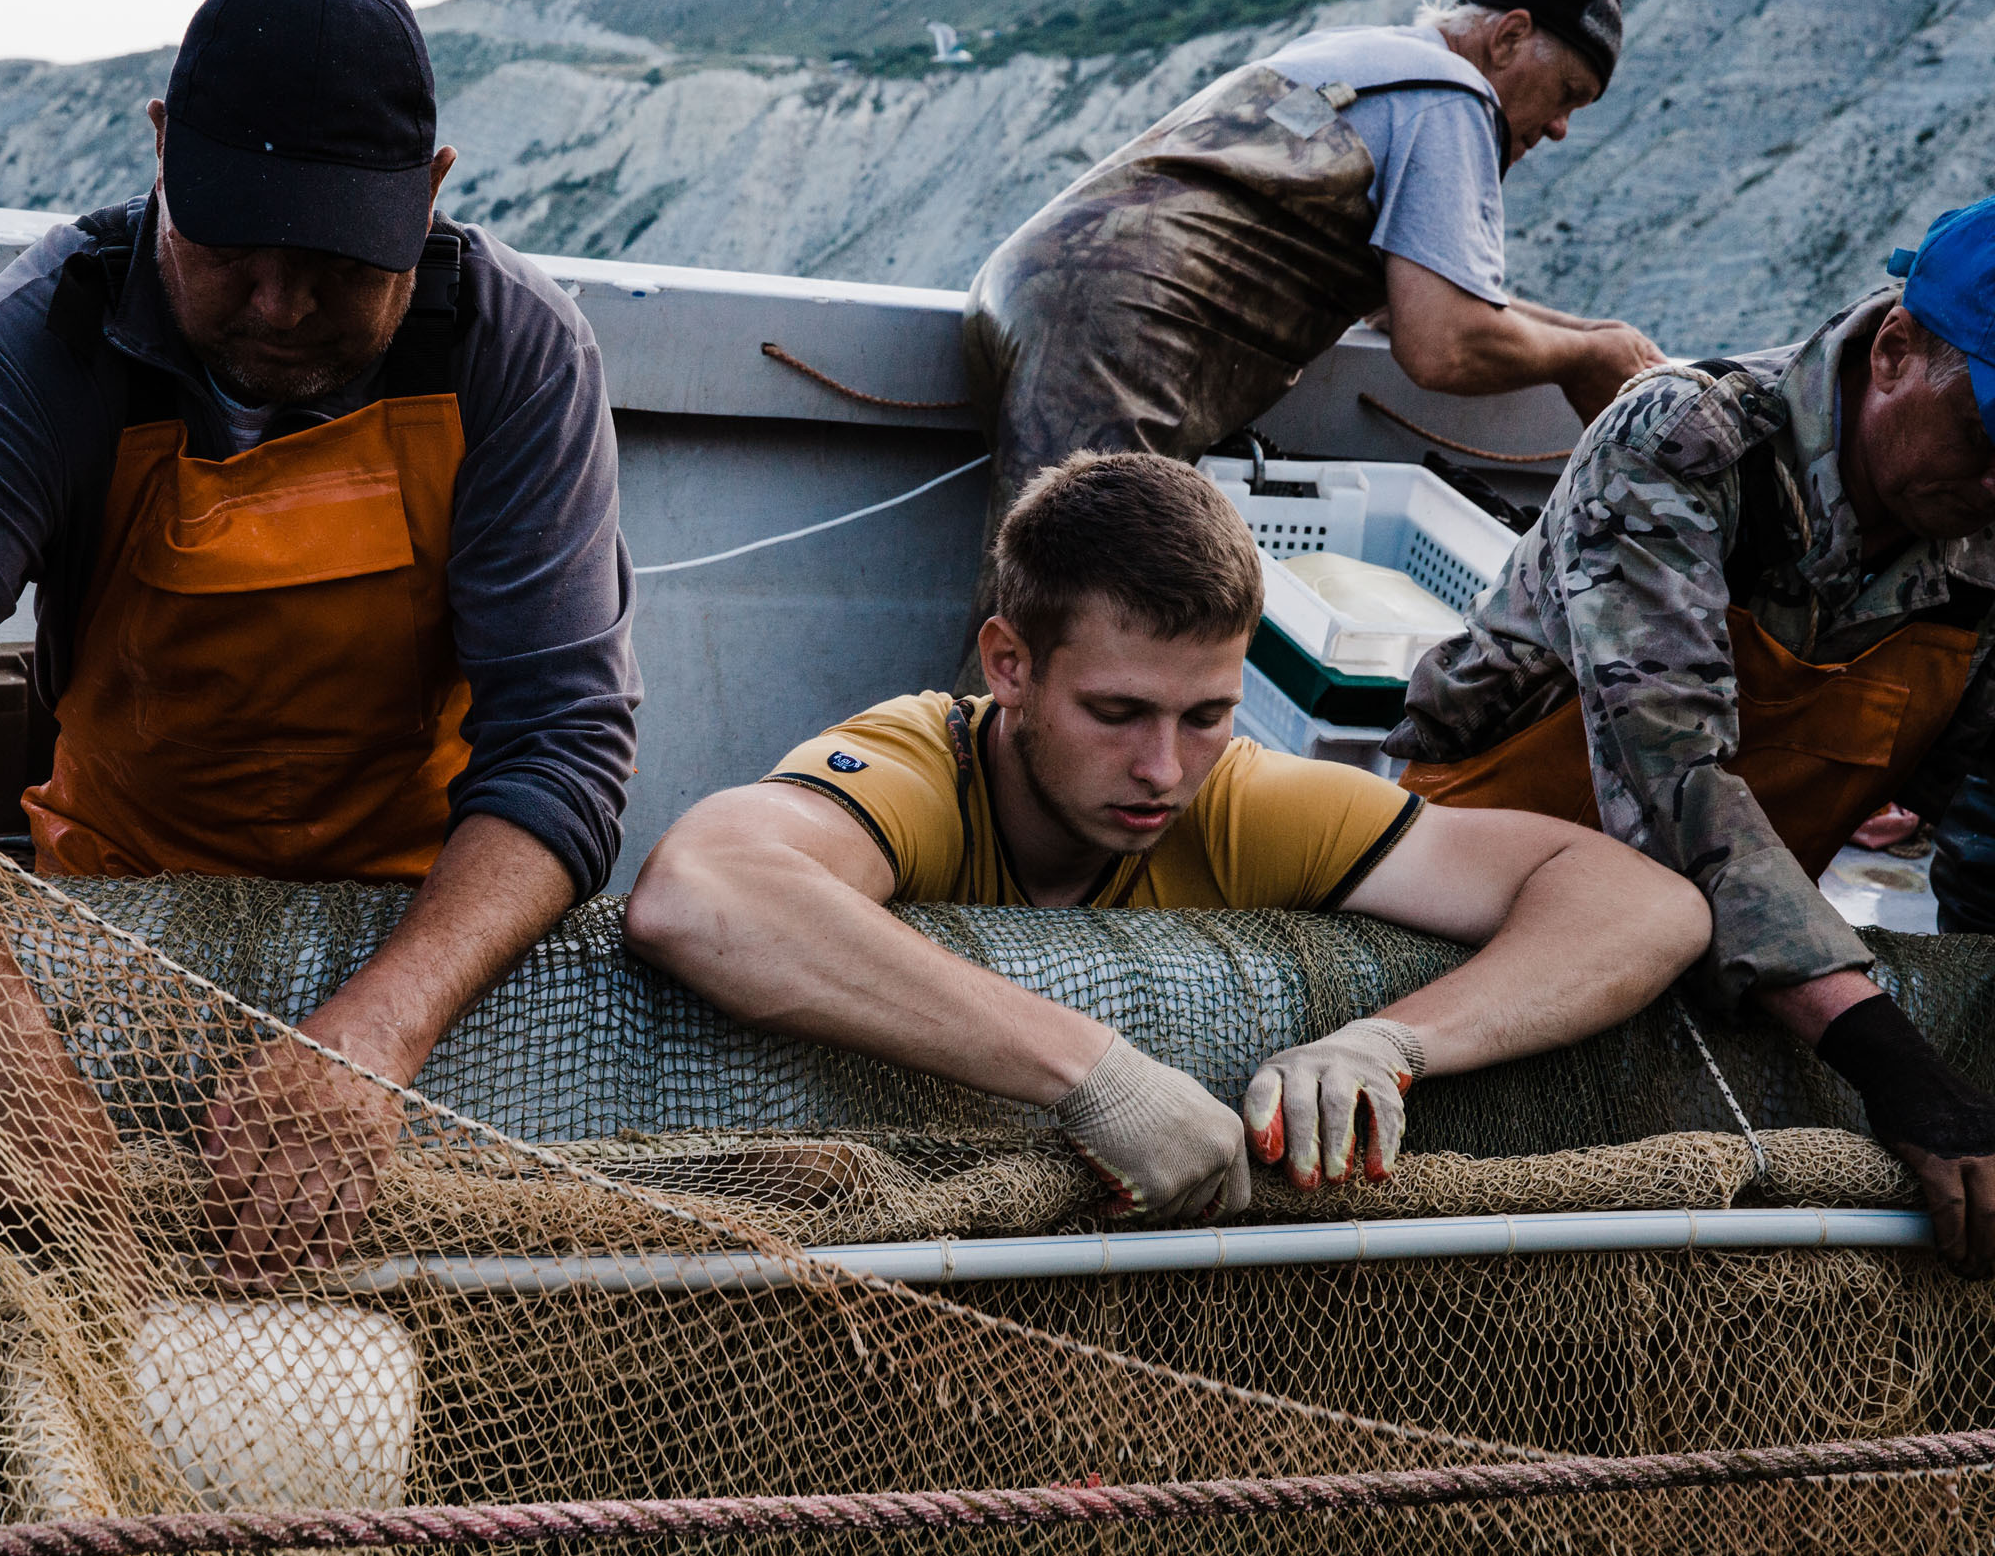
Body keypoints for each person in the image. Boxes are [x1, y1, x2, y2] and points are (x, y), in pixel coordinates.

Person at [0, 0, 639, 1278]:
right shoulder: (46, 337)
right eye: (228, 248)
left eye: (334, 262)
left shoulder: (517, 354)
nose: (277, 305)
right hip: (117, 931)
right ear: (162, 150)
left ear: (431, 194)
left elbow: (561, 746)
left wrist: (381, 1029)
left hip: (422, 934)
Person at [624, 452, 1708, 1221]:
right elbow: (703, 891)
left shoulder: (1237, 799)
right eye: (1117, 712)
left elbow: (1645, 904)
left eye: (1207, 715)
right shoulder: (917, 769)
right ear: (1009, 665)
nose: (1163, 770)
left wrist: (1390, 1043)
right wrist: (1093, 1073)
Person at [1386, 195, 1995, 1278]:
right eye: (1989, 434)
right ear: (1895, 351)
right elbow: (1675, 782)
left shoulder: (1979, 535)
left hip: (1735, 956)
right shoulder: (1683, 444)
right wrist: (1892, 1060)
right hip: (1467, 906)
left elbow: (1983, 816)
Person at [956, 0, 1663, 681]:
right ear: (1509, 36)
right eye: (1567, 93)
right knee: (1072, 646)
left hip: (1035, 297)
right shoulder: (1453, 100)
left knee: (1041, 617)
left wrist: (1593, 339)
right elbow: (1442, 342)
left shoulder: (1368, 59)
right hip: (1120, 341)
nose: (1561, 128)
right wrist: (1583, 359)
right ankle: (948, 752)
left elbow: (1411, 299)